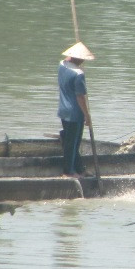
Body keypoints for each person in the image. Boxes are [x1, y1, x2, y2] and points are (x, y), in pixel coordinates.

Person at [57, 41, 95, 178]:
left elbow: (67, 59)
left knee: (71, 142)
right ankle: (68, 172)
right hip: (75, 113)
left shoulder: (61, 65)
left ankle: (79, 168)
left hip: (63, 110)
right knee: (72, 144)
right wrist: (87, 115)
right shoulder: (79, 74)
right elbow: (80, 97)